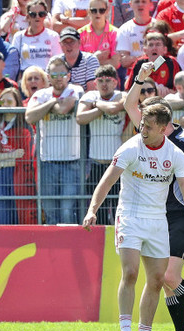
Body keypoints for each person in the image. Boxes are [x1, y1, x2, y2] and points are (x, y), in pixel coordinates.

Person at [82, 100, 184, 331]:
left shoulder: (175, 154)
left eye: (148, 127)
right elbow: (106, 182)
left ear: (163, 128)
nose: (143, 130)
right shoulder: (130, 148)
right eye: (142, 125)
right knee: (130, 272)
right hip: (130, 216)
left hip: (158, 220)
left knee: (157, 279)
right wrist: (92, 210)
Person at [125, 65, 184, 331]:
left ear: (164, 121)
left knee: (167, 276)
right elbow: (128, 104)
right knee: (161, 279)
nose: (143, 126)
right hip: (154, 216)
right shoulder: (148, 134)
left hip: (179, 216)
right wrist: (140, 77)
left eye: (149, 121)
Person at [25, 57, 83, 224]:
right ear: (48, 77)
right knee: (50, 210)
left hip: (71, 161)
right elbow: (30, 116)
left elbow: (64, 109)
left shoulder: (75, 90)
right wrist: (52, 101)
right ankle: (53, 249)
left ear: (69, 75)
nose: (59, 77)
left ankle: (70, 247)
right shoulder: (41, 94)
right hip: (47, 160)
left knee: (66, 211)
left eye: (62, 74)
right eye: (54, 74)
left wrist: (46, 107)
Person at [76, 64, 130, 225]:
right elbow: (80, 118)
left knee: (119, 209)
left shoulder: (123, 95)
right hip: (96, 164)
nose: (104, 84)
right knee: (97, 209)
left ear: (115, 82)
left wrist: (98, 105)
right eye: (100, 81)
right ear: (95, 83)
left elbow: (114, 109)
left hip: (119, 164)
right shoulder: (90, 95)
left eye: (108, 80)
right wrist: (101, 107)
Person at [0, 88, 37, 225]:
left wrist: (2, 162)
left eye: (9, 101)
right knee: (2, 214)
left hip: (19, 176)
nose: (5, 105)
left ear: (17, 103)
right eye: (2, 101)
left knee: (19, 215)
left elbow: (24, 157)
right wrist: (12, 155)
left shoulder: (25, 127)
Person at [12, 0, 62, 75]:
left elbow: (58, 62)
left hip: (47, 77)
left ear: (45, 16)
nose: (37, 17)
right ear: (27, 17)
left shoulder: (53, 36)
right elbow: (14, 61)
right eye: (33, 14)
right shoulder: (19, 37)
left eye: (41, 14)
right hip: (26, 77)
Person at [52, 26, 100, 92]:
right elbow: (49, 88)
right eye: (65, 42)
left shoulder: (90, 60)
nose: (69, 46)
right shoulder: (54, 61)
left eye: (72, 42)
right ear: (60, 44)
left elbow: (92, 91)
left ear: (79, 42)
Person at [78, 0, 120, 69]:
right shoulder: (80, 33)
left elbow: (115, 63)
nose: (98, 14)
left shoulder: (115, 33)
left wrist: (90, 61)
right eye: (94, 10)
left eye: (101, 10)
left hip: (108, 76)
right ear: (89, 12)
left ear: (107, 11)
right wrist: (95, 57)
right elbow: (79, 64)